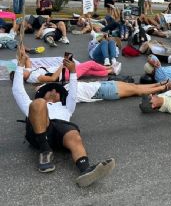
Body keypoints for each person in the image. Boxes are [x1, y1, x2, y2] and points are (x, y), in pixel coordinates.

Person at [12, 45, 115, 187]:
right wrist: (19, 66)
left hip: (61, 132)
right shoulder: (34, 103)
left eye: (57, 90)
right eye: (49, 90)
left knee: (73, 133)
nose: (54, 89)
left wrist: (73, 72)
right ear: (43, 94)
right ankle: (45, 151)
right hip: (38, 131)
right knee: (38, 104)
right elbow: (17, 90)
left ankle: (86, 170)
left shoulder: (67, 108)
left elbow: (73, 92)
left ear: (61, 97)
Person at [11, 51, 119, 84]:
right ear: (22, 78)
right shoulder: (34, 78)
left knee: (89, 71)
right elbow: (53, 78)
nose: (22, 69)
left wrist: (21, 54)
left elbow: (27, 59)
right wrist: (62, 65)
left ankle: (110, 71)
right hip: (64, 74)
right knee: (90, 64)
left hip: (64, 71)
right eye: (21, 72)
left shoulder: (28, 72)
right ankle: (109, 68)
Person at [66, 80, 171, 103]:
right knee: (136, 90)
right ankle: (162, 88)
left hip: (102, 85)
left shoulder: (64, 88)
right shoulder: (66, 97)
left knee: (134, 86)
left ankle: (158, 85)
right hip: (104, 90)